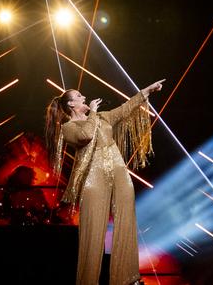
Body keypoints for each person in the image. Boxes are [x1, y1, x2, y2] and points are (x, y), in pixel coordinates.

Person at [45, 79, 165, 285]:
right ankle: (87, 281)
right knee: (93, 231)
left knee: (126, 219)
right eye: (79, 96)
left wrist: (146, 90)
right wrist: (91, 113)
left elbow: (125, 109)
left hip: (118, 171)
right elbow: (85, 136)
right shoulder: (69, 127)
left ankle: (127, 278)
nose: (84, 97)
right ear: (71, 105)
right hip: (94, 178)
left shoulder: (102, 117)